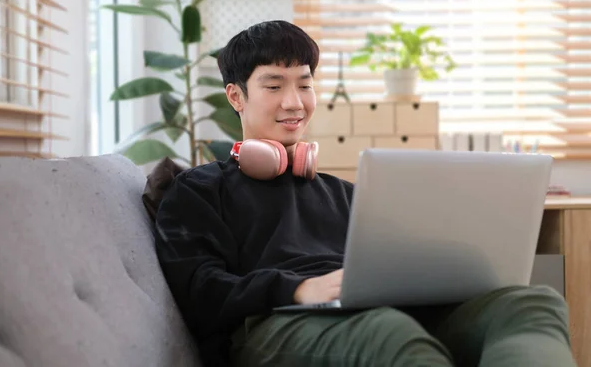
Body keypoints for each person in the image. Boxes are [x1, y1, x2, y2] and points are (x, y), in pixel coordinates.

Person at [154, 20, 576, 367]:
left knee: (531, 303)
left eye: (304, 84)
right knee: (389, 333)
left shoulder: (347, 194)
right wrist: (299, 289)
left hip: (375, 312)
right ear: (236, 96)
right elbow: (199, 289)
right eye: (274, 85)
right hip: (273, 323)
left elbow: (398, 262)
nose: (294, 102)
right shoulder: (199, 191)